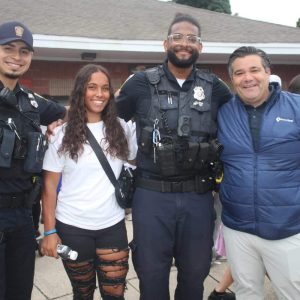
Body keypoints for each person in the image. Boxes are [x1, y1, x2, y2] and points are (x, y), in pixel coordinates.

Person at [116, 13, 232, 300]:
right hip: (152, 196)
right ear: (165, 42)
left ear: (200, 47)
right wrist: (59, 118)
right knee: (151, 274)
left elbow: (239, 123)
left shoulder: (215, 88)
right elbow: (106, 121)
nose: (184, 43)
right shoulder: (140, 83)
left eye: (192, 39)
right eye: (178, 37)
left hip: (198, 196)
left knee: (195, 274)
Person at [41, 64, 137, 300]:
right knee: (82, 293)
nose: (99, 94)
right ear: (80, 91)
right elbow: (49, 187)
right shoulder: (61, 135)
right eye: (91, 87)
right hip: (72, 227)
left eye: (105, 88)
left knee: (115, 293)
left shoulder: (122, 129)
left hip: (112, 225)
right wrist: (50, 231)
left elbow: (133, 166)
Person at [218, 46, 300, 299]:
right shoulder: (222, 112)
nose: (248, 77)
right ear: (232, 79)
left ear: (268, 72)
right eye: (239, 73)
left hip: (286, 227)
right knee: (246, 292)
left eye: (254, 70)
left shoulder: (296, 108)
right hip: (237, 227)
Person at [0, 21, 66, 300]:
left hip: (23, 217)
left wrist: (59, 121)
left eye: (24, 51)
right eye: (8, 48)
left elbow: (70, 111)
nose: (17, 56)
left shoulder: (33, 104)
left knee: (19, 291)